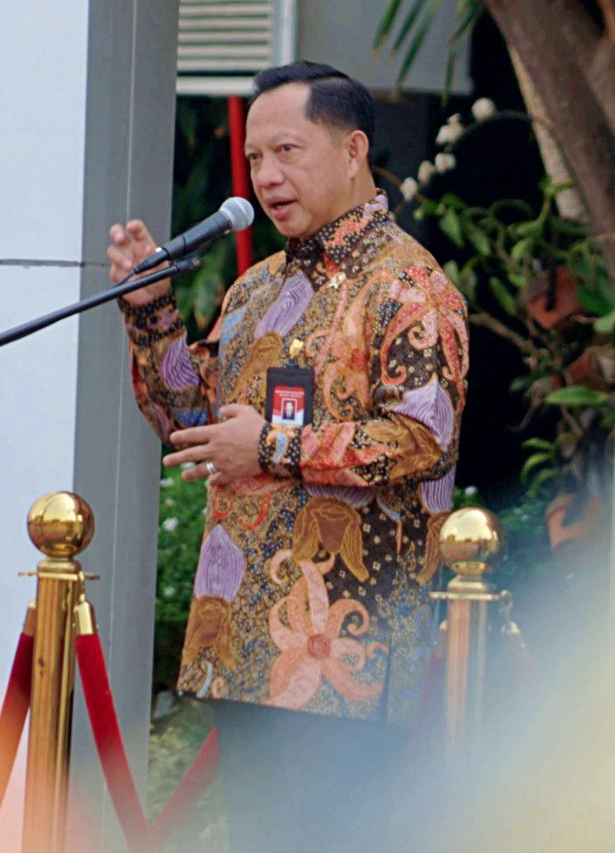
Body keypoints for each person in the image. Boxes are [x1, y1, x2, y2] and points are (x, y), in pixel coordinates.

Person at [108, 61, 468, 852]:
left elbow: (421, 435)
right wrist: (153, 316)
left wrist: (271, 443)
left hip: (345, 660)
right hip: (239, 643)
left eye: (288, 152)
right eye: (256, 158)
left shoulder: (409, 286)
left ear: (352, 151)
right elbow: (190, 420)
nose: (267, 176)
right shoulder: (255, 288)